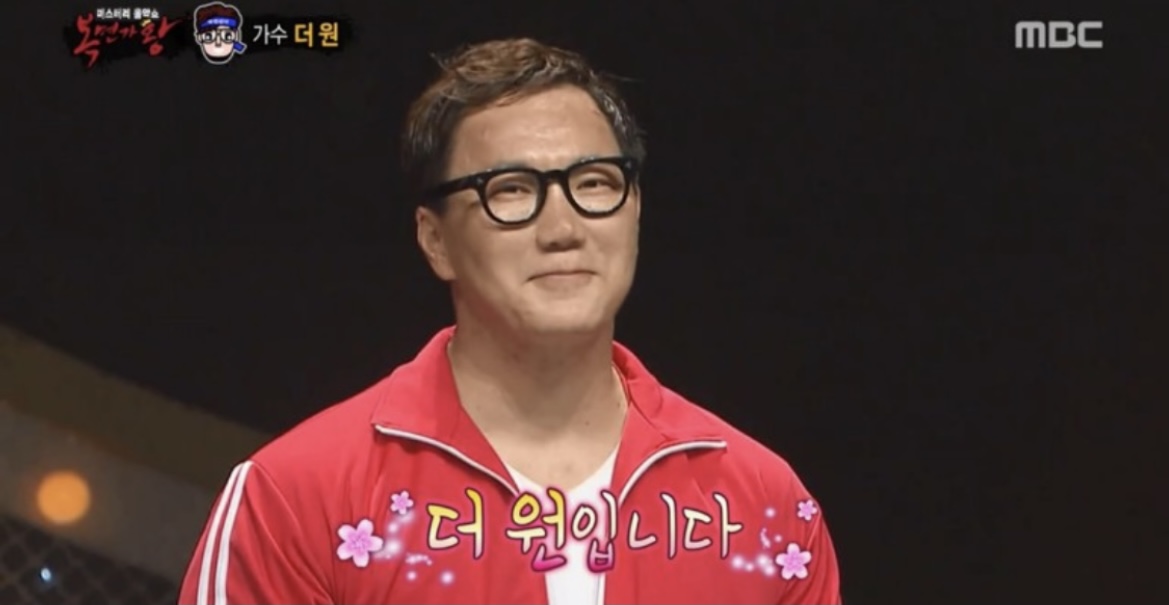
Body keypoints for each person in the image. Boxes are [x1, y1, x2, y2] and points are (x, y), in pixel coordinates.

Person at [177, 38, 842, 605]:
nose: (563, 229)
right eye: (512, 191)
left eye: (595, 182)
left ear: (635, 208)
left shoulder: (762, 506)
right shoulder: (298, 497)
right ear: (435, 239)